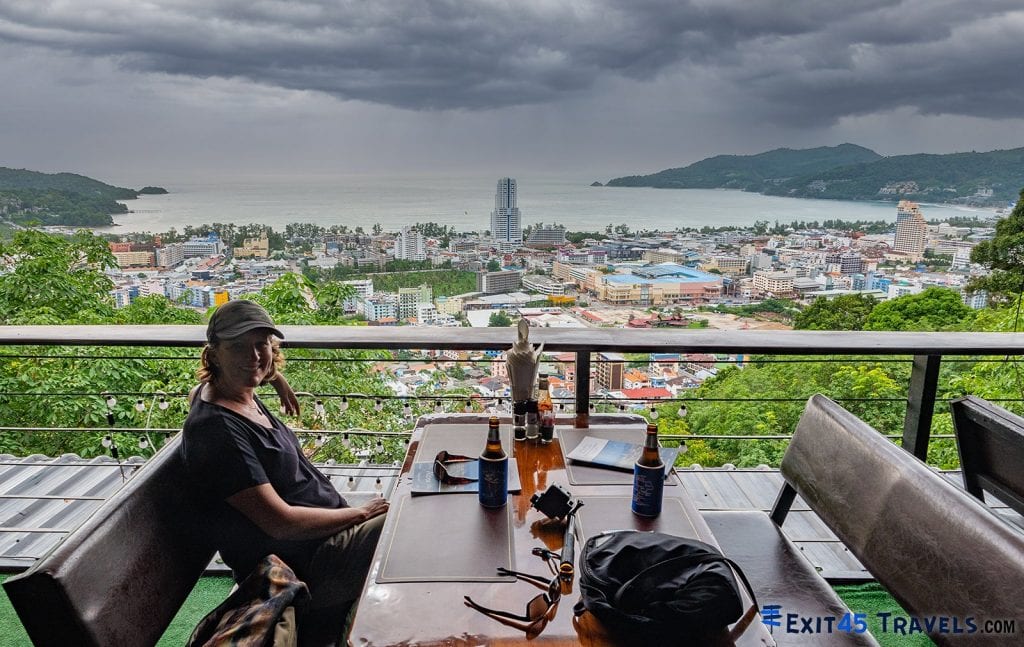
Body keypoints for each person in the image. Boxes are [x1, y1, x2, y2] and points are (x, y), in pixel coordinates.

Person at [181, 299, 389, 639]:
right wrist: (360, 514)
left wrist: (274, 378)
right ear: (214, 353)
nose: (254, 356)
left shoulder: (234, 391)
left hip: (316, 542)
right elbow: (281, 524)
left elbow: (200, 389)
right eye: (237, 347)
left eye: (262, 344)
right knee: (404, 523)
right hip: (302, 564)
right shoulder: (218, 432)